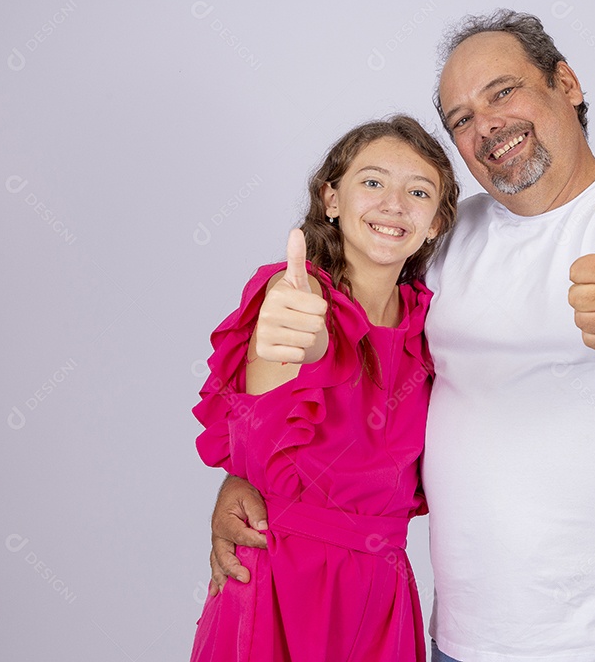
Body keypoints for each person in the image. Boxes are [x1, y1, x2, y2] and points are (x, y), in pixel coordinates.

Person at [209, 11, 595, 662]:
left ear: (565, 82)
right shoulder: (441, 235)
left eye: (502, 92)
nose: (485, 125)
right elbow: (346, 376)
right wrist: (249, 479)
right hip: (466, 641)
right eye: (460, 118)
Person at [189, 115, 459, 662]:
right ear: (330, 198)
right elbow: (268, 403)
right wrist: (292, 336)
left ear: (435, 223)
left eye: (419, 191)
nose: (393, 204)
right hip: (282, 585)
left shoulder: (429, 325)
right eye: (373, 182)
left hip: (381, 596)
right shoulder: (297, 295)